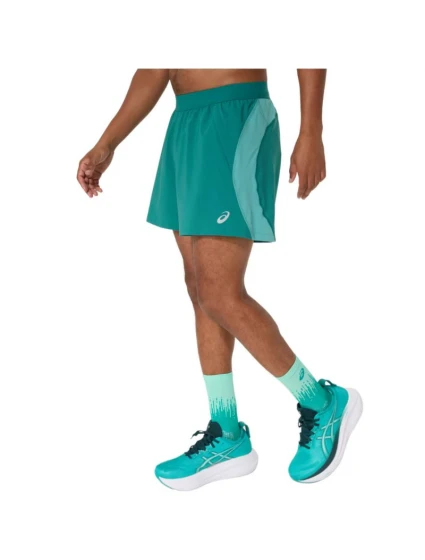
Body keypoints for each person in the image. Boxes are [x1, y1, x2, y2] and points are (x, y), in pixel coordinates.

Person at [77, 69, 362, 491]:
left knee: (219, 293)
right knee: (200, 291)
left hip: (235, 117)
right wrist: (107, 143)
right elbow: (157, 66)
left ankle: (322, 403)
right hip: (186, 124)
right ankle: (227, 433)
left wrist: (311, 130)